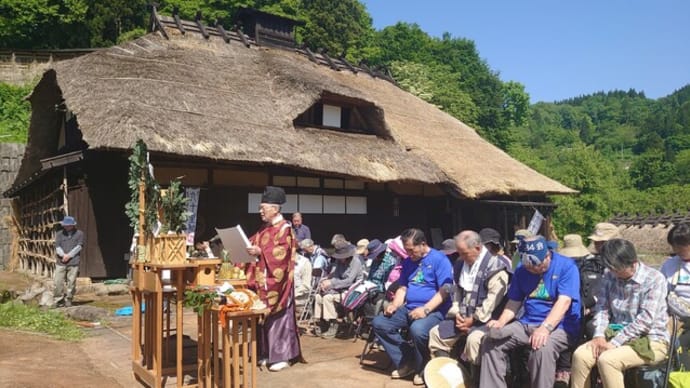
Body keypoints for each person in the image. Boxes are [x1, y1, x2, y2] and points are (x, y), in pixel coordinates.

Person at [479, 235, 581, 388]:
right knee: (492, 340)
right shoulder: (521, 270)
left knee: (541, 348)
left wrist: (545, 328)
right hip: (527, 323)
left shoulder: (567, 267)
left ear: (547, 255)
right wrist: (500, 322)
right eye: (529, 267)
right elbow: (514, 302)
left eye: (537, 266)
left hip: (560, 326)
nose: (533, 270)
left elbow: (564, 302)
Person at [570, 239, 669, 388]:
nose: (614, 273)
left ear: (633, 262)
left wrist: (615, 343)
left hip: (651, 340)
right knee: (581, 355)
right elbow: (602, 308)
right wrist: (599, 336)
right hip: (614, 334)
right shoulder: (609, 275)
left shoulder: (654, 279)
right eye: (611, 269)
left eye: (617, 269)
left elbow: (646, 320)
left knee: (608, 360)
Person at [372, 228, 453, 386]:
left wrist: (426, 309)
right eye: (406, 250)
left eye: (411, 249)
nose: (409, 253)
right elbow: (403, 288)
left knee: (418, 329)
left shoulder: (439, 259)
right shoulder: (408, 262)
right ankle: (407, 361)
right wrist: (394, 305)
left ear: (423, 244)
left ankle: (424, 367)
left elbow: (445, 290)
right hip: (409, 307)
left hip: (435, 309)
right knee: (380, 323)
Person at [428, 230, 510, 366]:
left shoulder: (496, 268)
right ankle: (447, 376)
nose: (461, 256)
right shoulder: (460, 264)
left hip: (487, 320)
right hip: (463, 317)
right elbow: (457, 291)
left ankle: (475, 380)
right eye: (459, 253)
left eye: (464, 253)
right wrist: (457, 312)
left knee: (474, 340)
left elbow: (492, 302)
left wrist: (473, 319)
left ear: (477, 248)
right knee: (436, 334)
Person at [245, 186, 302, 372]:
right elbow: (251, 242)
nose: (260, 211)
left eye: (264, 207)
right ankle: (266, 353)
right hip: (264, 280)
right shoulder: (264, 228)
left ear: (275, 209)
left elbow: (282, 255)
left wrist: (261, 252)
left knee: (279, 317)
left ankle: (283, 356)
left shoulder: (284, 229)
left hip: (279, 283)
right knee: (263, 318)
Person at [314, 240, 364, 338]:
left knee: (328, 298)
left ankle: (334, 324)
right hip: (339, 287)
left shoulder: (355, 262)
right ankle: (322, 321)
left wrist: (331, 283)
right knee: (318, 296)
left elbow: (349, 281)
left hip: (352, 290)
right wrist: (326, 285)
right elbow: (336, 276)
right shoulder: (339, 262)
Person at [660, 222, 690, 362]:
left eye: (680, 246)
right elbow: (661, 292)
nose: (676, 249)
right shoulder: (670, 264)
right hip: (676, 317)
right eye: (674, 245)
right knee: (664, 339)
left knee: (682, 343)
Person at [52, 216, 83, 308]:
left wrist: (69, 255)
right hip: (61, 261)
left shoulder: (79, 234)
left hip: (73, 261)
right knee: (58, 281)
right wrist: (63, 255)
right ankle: (58, 299)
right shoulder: (59, 234)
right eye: (65, 225)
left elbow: (79, 246)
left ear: (73, 225)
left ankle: (69, 299)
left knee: (71, 282)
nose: (67, 227)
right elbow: (57, 246)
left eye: (69, 225)